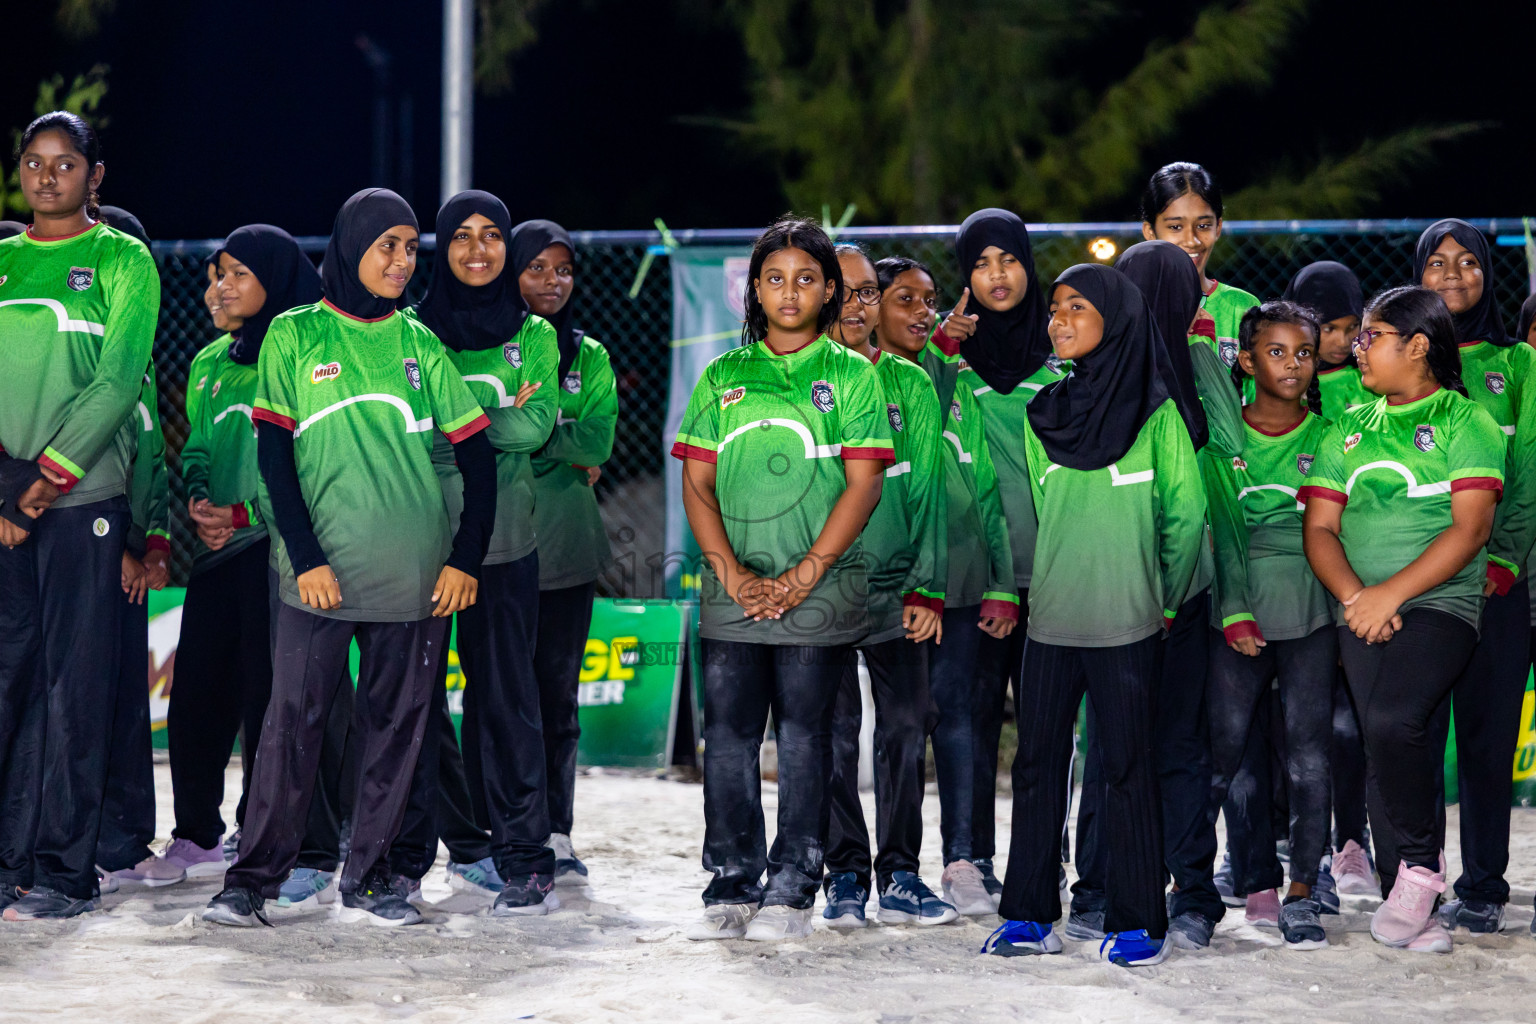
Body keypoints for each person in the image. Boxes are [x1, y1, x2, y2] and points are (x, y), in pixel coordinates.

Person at [203, 188, 497, 928]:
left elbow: (478, 459)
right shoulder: (296, 334)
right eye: (386, 245)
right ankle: (252, 881)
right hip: (317, 578)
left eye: (410, 247)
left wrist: (464, 560)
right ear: (351, 246)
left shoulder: (420, 344)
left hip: (417, 579)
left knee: (396, 730)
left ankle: (370, 879)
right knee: (291, 726)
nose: (402, 261)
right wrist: (305, 558)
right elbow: (275, 461)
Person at [673, 216, 890, 942]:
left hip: (820, 594)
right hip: (732, 592)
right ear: (755, 291)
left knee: (804, 735)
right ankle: (731, 880)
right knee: (730, 737)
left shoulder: (852, 375)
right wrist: (732, 574)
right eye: (775, 279)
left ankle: (794, 885)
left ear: (829, 290)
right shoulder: (723, 376)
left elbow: (864, 485)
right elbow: (697, 485)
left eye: (805, 279)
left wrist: (804, 575)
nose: (789, 292)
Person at [983, 264, 1204, 967]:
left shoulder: (1159, 417)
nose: (1059, 321)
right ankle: (1027, 916)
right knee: (1036, 767)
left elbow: (1186, 520)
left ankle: (1140, 923)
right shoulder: (1042, 413)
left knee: (1128, 768)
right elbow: (1044, 512)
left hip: (1130, 622)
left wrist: (1161, 600)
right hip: (1050, 623)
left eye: (1077, 307)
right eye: (1055, 309)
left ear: (1119, 319)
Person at [1301, 285, 1504, 953]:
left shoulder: (1464, 421)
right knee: (1385, 744)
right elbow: (1320, 528)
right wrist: (1357, 597)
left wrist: (1389, 595)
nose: (1357, 348)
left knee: (1394, 720)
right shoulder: (1346, 426)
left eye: (1372, 336)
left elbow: (1471, 530)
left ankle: (1418, 867)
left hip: (1440, 605)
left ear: (1417, 346)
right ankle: (1412, 902)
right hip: (1360, 608)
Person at [0, 111, 160, 920]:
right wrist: (7, 487)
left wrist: (43, 483)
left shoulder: (122, 259)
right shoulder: (2, 260)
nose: (46, 175)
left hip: (80, 502)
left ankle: (66, 871)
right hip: (5, 502)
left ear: (94, 176)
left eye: (64, 163)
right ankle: (8, 861)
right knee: (9, 681)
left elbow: (118, 382)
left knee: (74, 690)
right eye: (34, 161)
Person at [1064, 239, 1225, 949]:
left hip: (1140, 592)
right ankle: (1177, 893)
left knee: (1120, 742)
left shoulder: (1117, 377)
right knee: (1163, 742)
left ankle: (1109, 889)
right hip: (1156, 593)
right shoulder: (1178, 377)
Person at [407, 191, 562, 915]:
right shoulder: (408, 331)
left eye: (492, 235)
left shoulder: (533, 333)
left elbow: (535, 427)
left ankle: (526, 858)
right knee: (413, 706)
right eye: (462, 236)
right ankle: (436, 851)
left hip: (501, 547)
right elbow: (405, 428)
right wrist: (493, 417)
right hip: (416, 543)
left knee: (506, 704)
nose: (477, 249)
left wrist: (451, 424)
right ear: (441, 246)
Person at [157, 225, 324, 879]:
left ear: (274, 283)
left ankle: (262, 829)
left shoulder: (304, 360)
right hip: (217, 554)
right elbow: (198, 447)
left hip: (278, 554)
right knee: (196, 695)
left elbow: (307, 460)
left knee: (267, 697)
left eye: (235, 275)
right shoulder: (209, 363)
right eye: (215, 275)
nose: (218, 290)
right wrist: (200, 500)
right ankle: (196, 835)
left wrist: (245, 513)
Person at [925, 210, 1060, 908]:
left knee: (1046, 729)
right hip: (976, 578)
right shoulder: (949, 361)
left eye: (1008, 260)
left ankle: (1043, 859)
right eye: (980, 264)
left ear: (1028, 266)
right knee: (967, 717)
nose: (997, 275)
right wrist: (943, 346)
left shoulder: (1063, 355)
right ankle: (967, 860)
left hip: (1056, 574)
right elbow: (916, 423)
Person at [880, 254, 1016, 915]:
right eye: (904, 298)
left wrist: (1001, 580)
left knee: (958, 716)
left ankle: (963, 862)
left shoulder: (957, 382)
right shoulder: (865, 379)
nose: (922, 311)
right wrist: (937, 353)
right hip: (894, 585)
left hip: (960, 582)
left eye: (928, 299)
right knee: (901, 726)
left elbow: (984, 485)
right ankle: (891, 870)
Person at [820, 244, 950, 929]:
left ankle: (900, 872)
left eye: (868, 292)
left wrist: (927, 587)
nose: (856, 304)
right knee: (831, 732)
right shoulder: (802, 381)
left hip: (898, 592)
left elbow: (928, 491)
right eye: (842, 291)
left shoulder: (911, 384)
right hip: (822, 593)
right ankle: (843, 872)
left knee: (904, 729)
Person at [1413, 220, 1536, 935]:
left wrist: (1504, 557)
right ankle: (1417, 884)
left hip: (1495, 583)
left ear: (1488, 273)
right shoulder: (1406, 358)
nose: (1454, 274)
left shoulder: (1517, 364)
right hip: (1423, 587)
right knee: (1418, 737)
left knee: (1488, 740)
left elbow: (1528, 471)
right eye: (1437, 262)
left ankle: (1484, 885)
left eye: (1468, 261)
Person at [1202, 300, 1337, 949]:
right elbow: (1219, 532)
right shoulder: (1224, 440)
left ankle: (1304, 889)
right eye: (1276, 352)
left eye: (1304, 352)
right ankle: (1212, 883)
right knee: (1225, 754)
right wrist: (1233, 607)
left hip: (1311, 612)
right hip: (1237, 612)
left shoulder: (1332, 436)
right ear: (1248, 361)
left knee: (1308, 753)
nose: (1293, 364)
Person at [519, 219, 620, 884]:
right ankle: (501, 831)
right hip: (493, 552)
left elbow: (598, 441)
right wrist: (560, 437)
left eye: (563, 269)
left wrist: (531, 431)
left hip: (568, 555)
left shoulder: (590, 355)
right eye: (536, 268)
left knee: (558, 700)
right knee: (499, 699)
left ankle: (556, 832)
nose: (552, 281)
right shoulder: (483, 347)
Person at [1281, 259, 1375, 899]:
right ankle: (1287, 848)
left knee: (1351, 724)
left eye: (1349, 328)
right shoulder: (1284, 383)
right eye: (1325, 330)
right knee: (1294, 727)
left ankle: (1352, 844)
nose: (1338, 342)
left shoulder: (1373, 386)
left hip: (1358, 576)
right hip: (1293, 583)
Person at [91, 205, 179, 889]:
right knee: (77, 698)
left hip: (122, 555)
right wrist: (112, 548)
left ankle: (120, 842)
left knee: (122, 699)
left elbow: (151, 461)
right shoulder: (78, 356)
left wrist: (154, 546)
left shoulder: (139, 362)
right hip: (82, 547)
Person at [1141, 162, 1258, 372]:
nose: (1192, 240)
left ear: (1218, 227)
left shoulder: (1242, 308)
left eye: (1203, 226)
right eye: (1175, 227)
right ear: (1150, 232)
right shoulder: (1130, 309)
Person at [1284, 262, 1368, 422]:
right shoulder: (1272, 381)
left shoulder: (1369, 381)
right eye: (1329, 329)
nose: (1343, 342)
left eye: (1353, 326)